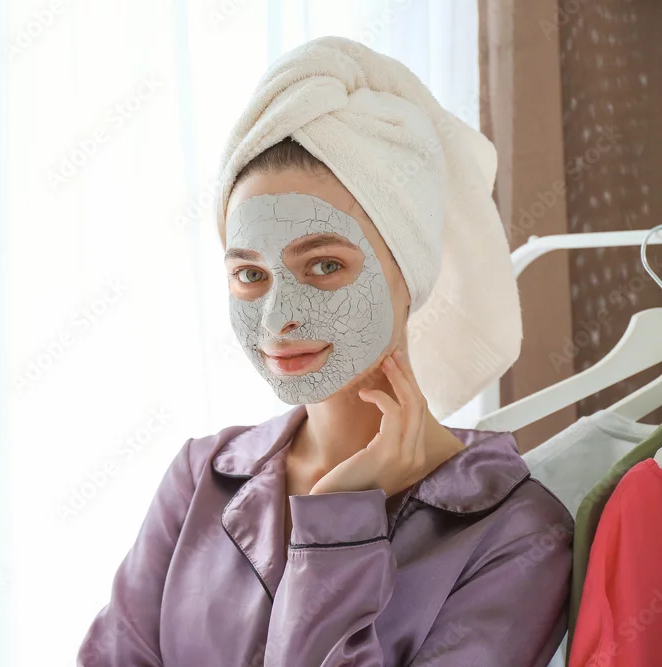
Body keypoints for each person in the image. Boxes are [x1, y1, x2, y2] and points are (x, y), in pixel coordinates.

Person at [78, 37, 572, 667]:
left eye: (325, 265)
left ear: (409, 271)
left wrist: (337, 521)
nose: (277, 318)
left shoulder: (515, 531)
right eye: (249, 274)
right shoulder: (201, 479)